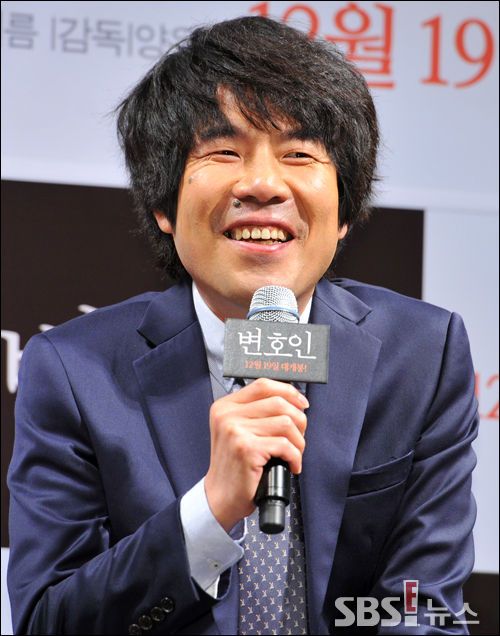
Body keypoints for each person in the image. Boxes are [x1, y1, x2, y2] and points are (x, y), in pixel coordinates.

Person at [7, 15, 478, 635]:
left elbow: (422, 609)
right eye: (224, 152)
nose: (261, 184)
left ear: (344, 213)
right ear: (164, 206)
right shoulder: (74, 371)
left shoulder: (421, 354)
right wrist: (208, 511)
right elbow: (49, 621)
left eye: (299, 154)